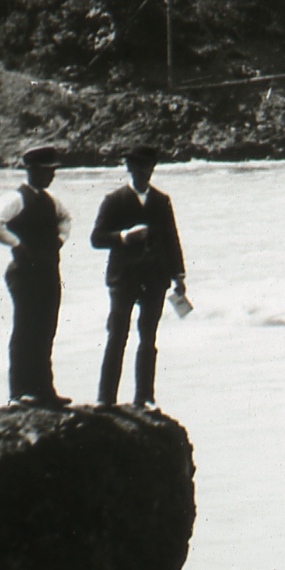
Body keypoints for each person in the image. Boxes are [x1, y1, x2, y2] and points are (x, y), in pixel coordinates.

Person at [93, 144, 190, 410]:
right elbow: (97, 239)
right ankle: (105, 399)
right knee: (117, 336)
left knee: (148, 338)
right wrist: (124, 237)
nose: (144, 171)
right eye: (138, 166)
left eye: (148, 167)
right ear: (129, 168)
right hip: (123, 278)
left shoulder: (161, 200)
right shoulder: (114, 200)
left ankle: (144, 398)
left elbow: (172, 239)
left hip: (155, 277)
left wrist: (179, 275)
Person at [0, 143, 70, 403]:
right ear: (32, 171)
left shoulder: (52, 201)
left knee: (46, 330)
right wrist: (16, 244)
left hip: (49, 271)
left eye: (52, 170)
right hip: (24, 273)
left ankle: (44, 391)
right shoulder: (15, 199)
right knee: (25, 330)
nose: (51, 175)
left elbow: (66, 219)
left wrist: (61, 239)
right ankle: (19, 392)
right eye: (46, 170)